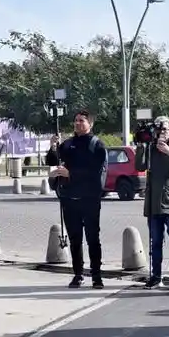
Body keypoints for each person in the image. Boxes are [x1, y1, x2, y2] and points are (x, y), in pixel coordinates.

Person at [46, 110, 108, 289]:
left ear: (90, 124)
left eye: (82, 121)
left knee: (92, 239)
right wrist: (53, 147)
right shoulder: (68, 144)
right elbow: (53, 161)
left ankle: (96, 276)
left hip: (89, 199)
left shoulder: (97, 145)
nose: (78, 123)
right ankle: (78, 274)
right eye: (76, 120)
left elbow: (95, 172)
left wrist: (71, 174)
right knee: (75, 240)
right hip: (69, 199)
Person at [135, 115, 169, 289]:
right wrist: (140, 146)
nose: (161, 132)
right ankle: (156, 276)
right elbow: (139, 166)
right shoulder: (150, 148)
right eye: (158, 129)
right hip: (154, 205)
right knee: (156, 242)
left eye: (165, 129)